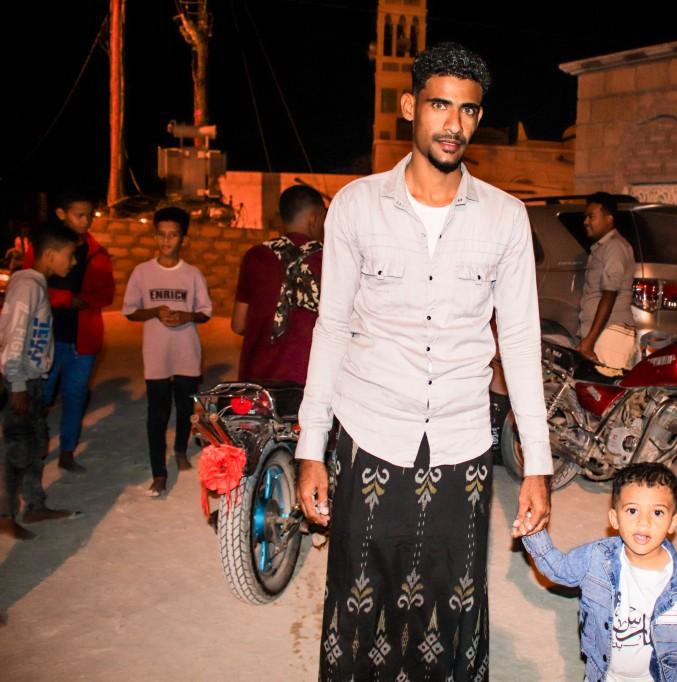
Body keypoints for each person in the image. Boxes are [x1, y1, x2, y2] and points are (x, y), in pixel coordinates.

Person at [295, 42, 552, 680]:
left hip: (462, 444)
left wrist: (538, 464)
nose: (453, 124)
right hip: (368, 433)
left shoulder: (506, 218)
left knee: (450, 604)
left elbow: (520, 341)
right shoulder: (355, 205)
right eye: (440, 105)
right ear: (411, 106)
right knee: (360, 602)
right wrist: (310, 448)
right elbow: (332, 328)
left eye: (468, 111)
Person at [522, 463, 677, 681]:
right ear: (614, 519)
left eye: (657, 512)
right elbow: (560, 569)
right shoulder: (596, 558)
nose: (644, 522)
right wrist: (533, 531)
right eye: (632, 510)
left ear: (673, 522)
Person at [122, 207, 212, 497]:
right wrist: (154, 311)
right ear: (155, 236)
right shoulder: (142, 272)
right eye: (161, 234)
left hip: (186, 352)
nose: (166, 240)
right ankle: (158, 473)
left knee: (185, 408)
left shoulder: (192, 274)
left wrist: (186, 316)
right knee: (157, 414)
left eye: (173, 235)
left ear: (183, 239)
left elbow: (205, 312)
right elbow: (130, 311)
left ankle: (181, 449)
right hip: (156, 354)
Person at [24, 189, 115, 473]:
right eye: (80, 215)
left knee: (75, 396)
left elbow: (107, 294)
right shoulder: (45, 248)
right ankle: (35, 448)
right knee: (41, 397)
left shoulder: (96, 252)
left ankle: (67, 451)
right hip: (47, 338)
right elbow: (29, 287)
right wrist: (66, 299)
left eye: (90, 215)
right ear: (61, 214)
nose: (86, 221)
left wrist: (83, 300)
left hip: (83, 339)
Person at [0, 222, 81, 540]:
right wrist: (18, 385)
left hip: (32, 380)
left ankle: (35, 505)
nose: (72, 262)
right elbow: (15, 337)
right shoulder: (27, 287)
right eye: (69, 255)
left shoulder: (36, 285)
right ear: (50, 254)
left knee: (35, 443)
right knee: (16, 449)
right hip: (20, 382)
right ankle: (5, 514)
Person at [231, 184, 326, 384]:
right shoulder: (329, 259)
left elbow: (238, 325)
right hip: (309, 379)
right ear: (314, 218)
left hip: (258, 377)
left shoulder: (255, 256)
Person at [578, 192, 637, 369]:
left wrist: (589, 341)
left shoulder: (614, 246)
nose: (585, 222)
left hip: (611, 334)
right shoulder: (602, 247)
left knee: (608, 385)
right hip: (602, 334)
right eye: (585, 217)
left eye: (591, 216)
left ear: (609, 218)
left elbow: (609, 294)